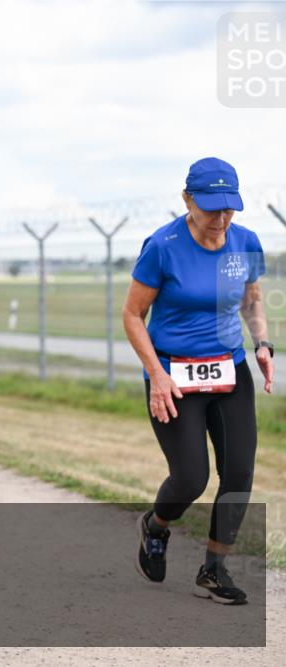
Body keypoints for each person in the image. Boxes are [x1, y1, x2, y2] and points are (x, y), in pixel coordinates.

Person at [124, 157, 274, 606]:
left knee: (239, 473)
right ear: (187, 200)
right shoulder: (163, 246)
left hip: (229, 371)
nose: (221, 219)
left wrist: (262, 344)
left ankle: (214, 569)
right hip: (173, 375)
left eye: (229, 209)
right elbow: (133, 314)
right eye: (211, 209)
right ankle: (156, 526)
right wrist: (155, 375)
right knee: (191, 478)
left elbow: (252, 302)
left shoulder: (245, 243)